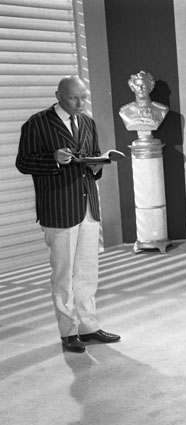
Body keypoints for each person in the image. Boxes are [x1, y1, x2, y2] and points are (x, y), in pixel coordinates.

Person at [15, 76, 121, 353]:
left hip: (88, 208)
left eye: (83, 97)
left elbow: (92, 157)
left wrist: (97, 166)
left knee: (87, 272)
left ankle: (88, 327)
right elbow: (23, 163)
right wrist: (53, 158)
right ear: (59, 95)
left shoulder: (87, 122)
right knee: (63, 275)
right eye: (74, 98)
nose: (80, 103)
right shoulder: (37, 123)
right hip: (58, 209)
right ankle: (68, 332)